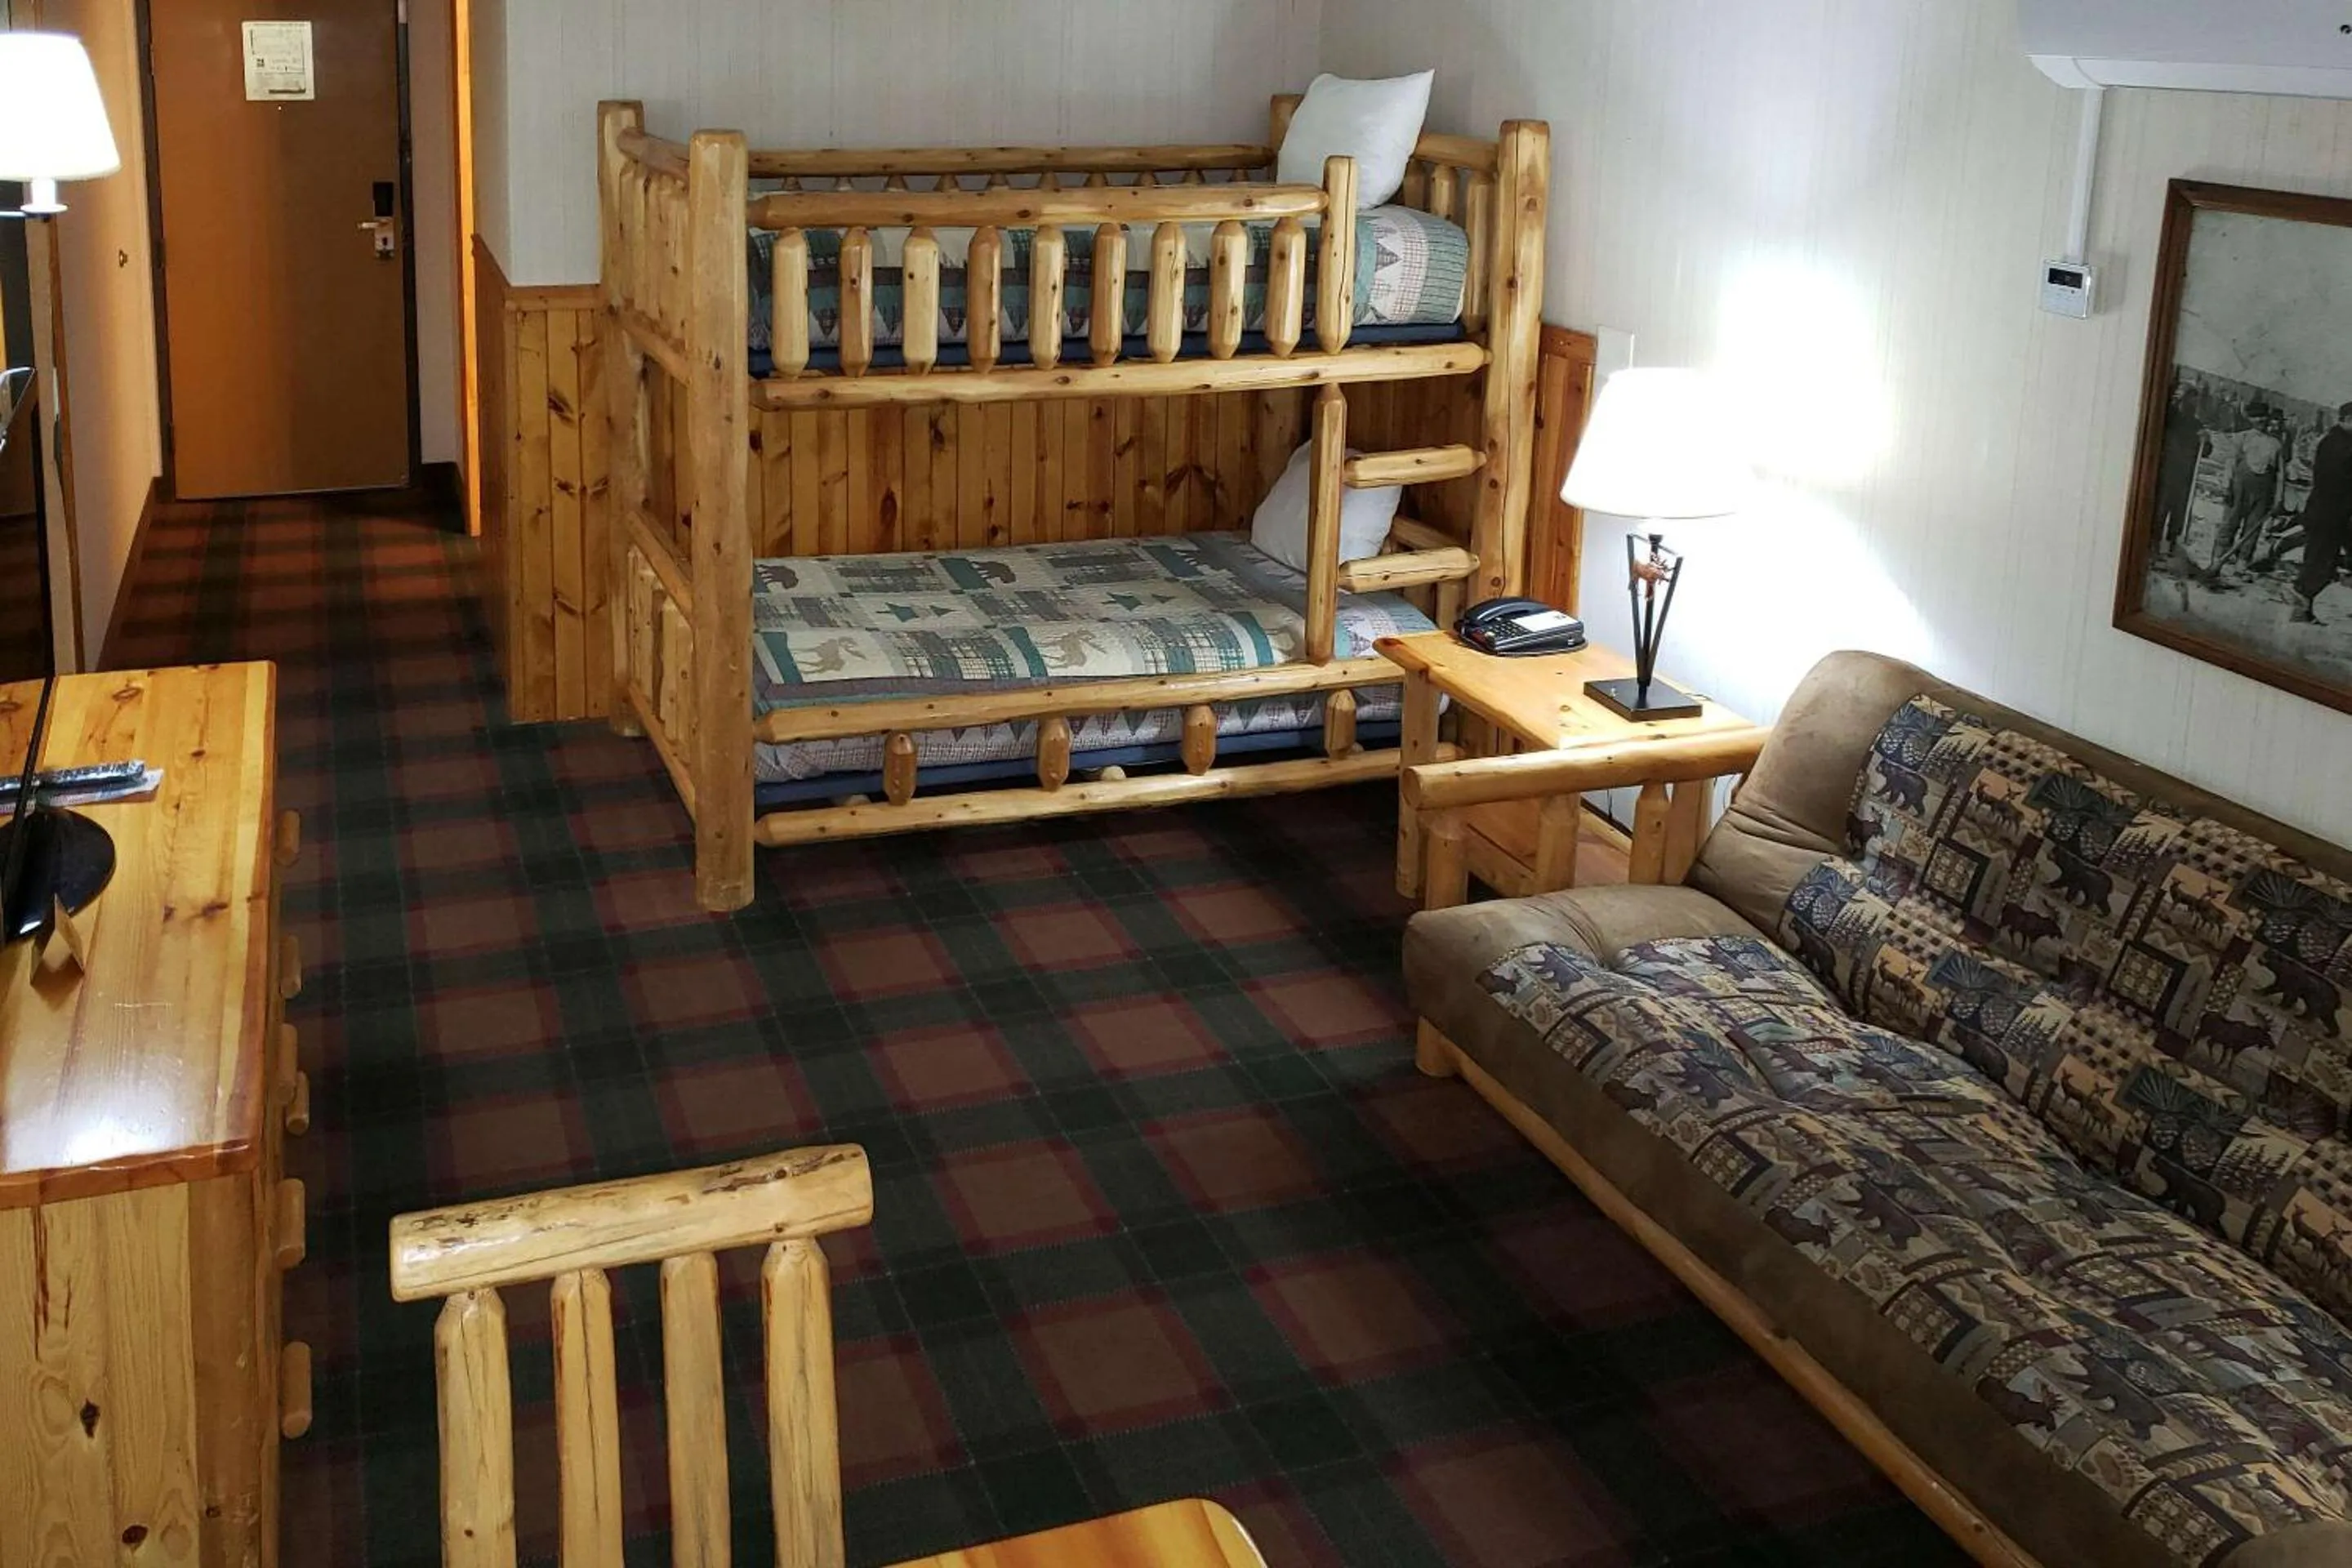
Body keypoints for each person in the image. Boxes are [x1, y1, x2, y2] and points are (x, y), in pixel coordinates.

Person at [2207, 405, 2286, 582]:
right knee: (2230, 522)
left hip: (2263, 491)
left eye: (2264, 417)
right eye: (2256, 417)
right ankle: (2217, 560)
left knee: (2253, 527)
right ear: (2250, 419)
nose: (2261, 421)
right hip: (2239, 487)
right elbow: (2231, 462)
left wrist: (2279, 497)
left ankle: (2241, 564)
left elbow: (2281, 473)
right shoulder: (2242, 437)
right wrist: (2227, 485)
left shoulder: (2276, 444)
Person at [2292, 402, 2352, 624]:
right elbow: (2341, 481)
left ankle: (2302, 607)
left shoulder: (2337, 441)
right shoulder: (2340, 444)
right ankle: (2300, 597)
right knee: (2320, 562)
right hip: (2330, 514)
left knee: (2321, 561)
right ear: (2347, 419)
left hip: (2329, 513)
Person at [2154, 380, 2206, 562]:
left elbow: (2205, 452)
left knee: (2179, 511)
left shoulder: (2197, 425)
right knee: (2161, 509)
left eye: (2195, 402)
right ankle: (2154, 543)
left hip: (2185, 475)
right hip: (2166, 470)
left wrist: (2205, 441)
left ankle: (2170, 544)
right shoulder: (2169, 417)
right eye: (2190, 400)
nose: (2193, 405)